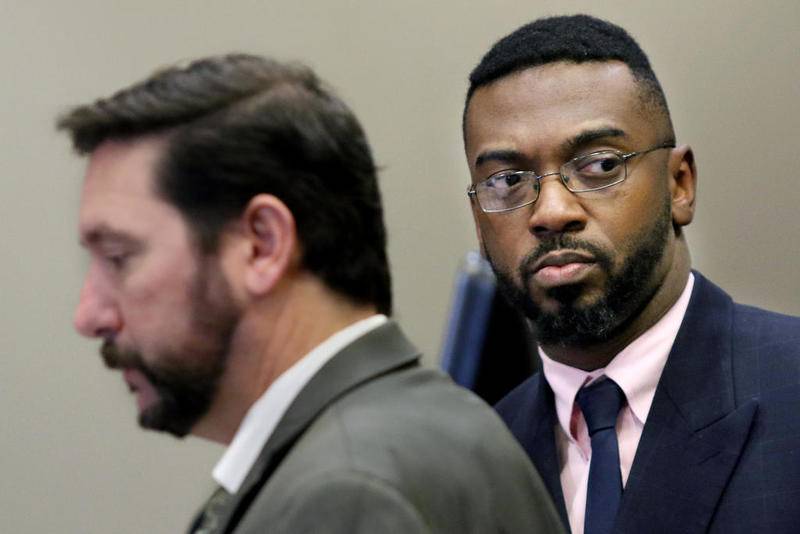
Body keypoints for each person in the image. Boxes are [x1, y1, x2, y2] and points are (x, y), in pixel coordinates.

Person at [59, 54, 564, 533]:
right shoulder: (431, 429)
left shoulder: (345, 492)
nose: (89, 315)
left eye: (120, 257)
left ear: (262, 245)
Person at [462, 14, 800, 534]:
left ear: (680, 185)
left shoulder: (790, 386)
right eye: (507, 180)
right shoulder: (476, 461)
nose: (551, 211)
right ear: (478, 221)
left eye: (598, 165)